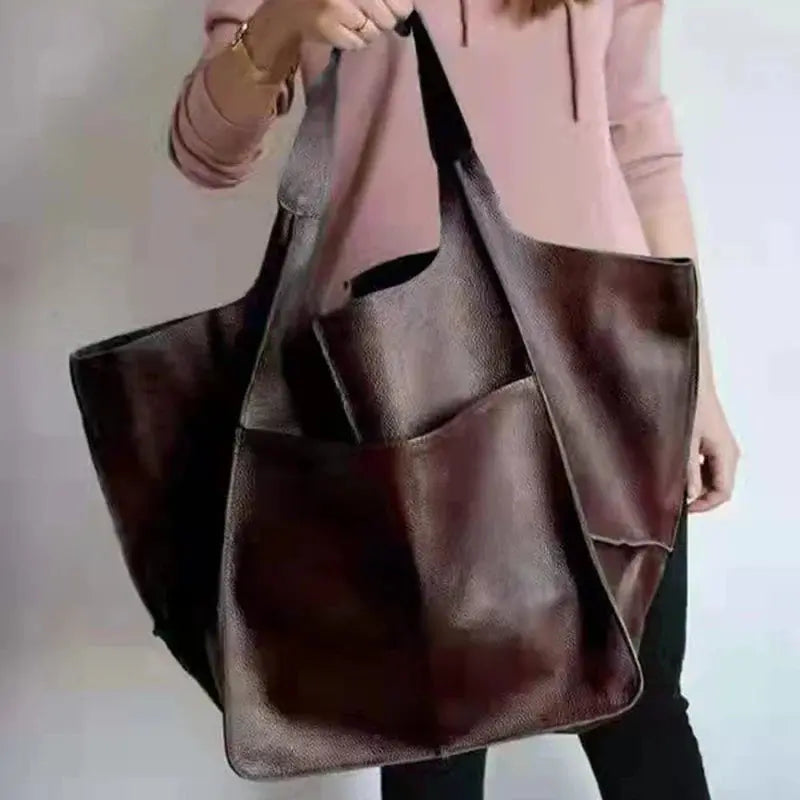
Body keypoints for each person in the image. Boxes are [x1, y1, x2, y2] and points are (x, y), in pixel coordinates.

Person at [169, 0, 740, 798]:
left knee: (640, 711)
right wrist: (282, 21)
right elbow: (205, 152)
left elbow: (639, 140)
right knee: (432, 736)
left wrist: (697, 377)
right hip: (399, 371)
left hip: (608, 359)